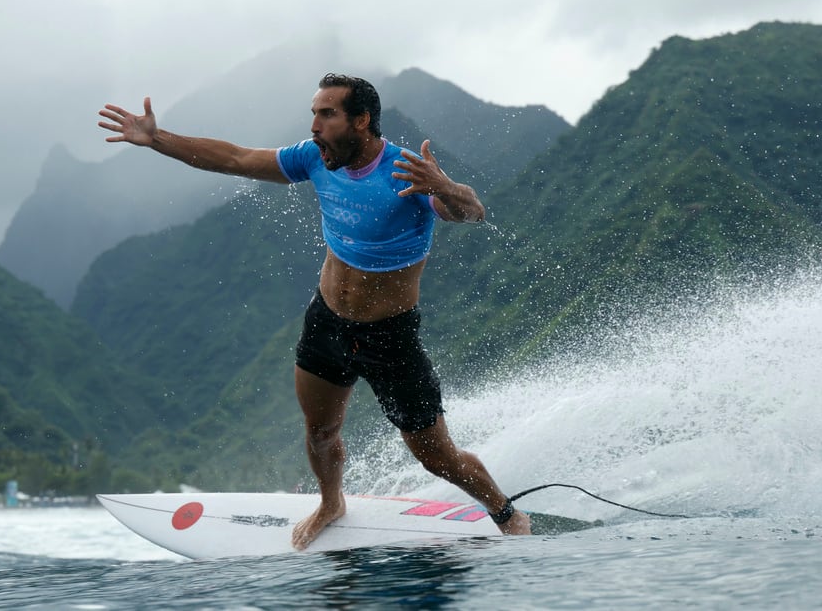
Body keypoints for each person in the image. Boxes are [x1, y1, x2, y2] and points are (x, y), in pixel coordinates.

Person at [98, 73, 531, 549]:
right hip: (326, 323)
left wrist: (445, 186)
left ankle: (506, 513)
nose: (315, 125)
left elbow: (473, 212)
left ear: (361, 121)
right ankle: (330, 501)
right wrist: (157, 138)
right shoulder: (314, 159)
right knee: (321, 432)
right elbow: (238, 159)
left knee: (436, 457)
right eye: (314, 113)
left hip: (390, 336)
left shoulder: (406, 173)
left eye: (327, 114)